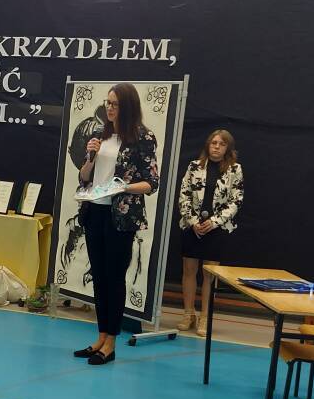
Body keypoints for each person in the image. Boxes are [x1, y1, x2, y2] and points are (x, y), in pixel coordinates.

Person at [72, 83, 159, 366]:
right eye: (107, 103)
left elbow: (151, 183)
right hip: (95, 211)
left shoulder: (143, 137)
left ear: (128, 106)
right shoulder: (101, 134)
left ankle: (111, 342)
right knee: (98, 276)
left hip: (121, 216)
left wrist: (122, 187)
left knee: (114, 277)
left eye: (115, 104)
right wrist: (90, 157)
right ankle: (100, 337)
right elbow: (85, 177)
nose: (109, 108)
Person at [177, 130, 245, 335]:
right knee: (189, 271)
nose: (216, 147)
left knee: (209, 275)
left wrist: (214, 222)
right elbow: (184, 195)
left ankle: (205, 317)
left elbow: (236, 201)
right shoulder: (193, 166)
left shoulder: (235, 169)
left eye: (221, 144)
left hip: (216, 228)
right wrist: (193, 221)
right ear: (208, 145)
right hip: (192, 227)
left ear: (228, 148)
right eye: (213, 143)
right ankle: (188, 314)